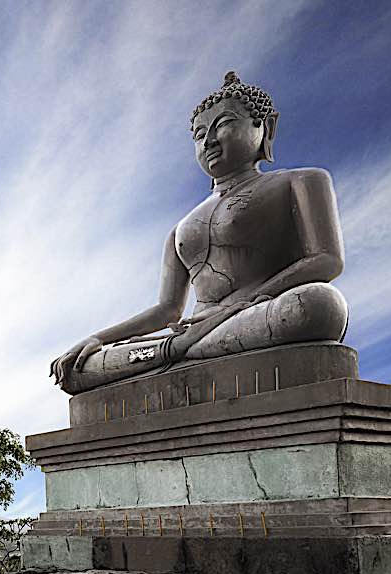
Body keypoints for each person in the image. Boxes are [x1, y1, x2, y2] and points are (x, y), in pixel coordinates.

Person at [50, 72, 348, 395]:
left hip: (249, 318)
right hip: (188, 332)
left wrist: (238, 306)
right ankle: (181, 350)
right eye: (199, 134)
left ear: (265, 127)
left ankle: (178, 353)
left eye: (223, 125)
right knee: (80, 368)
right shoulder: (180, 228)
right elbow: (167, 311)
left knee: (320, 305)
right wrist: (99, 339)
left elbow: (326, 260)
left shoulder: (301, 181)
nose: (209, 142)